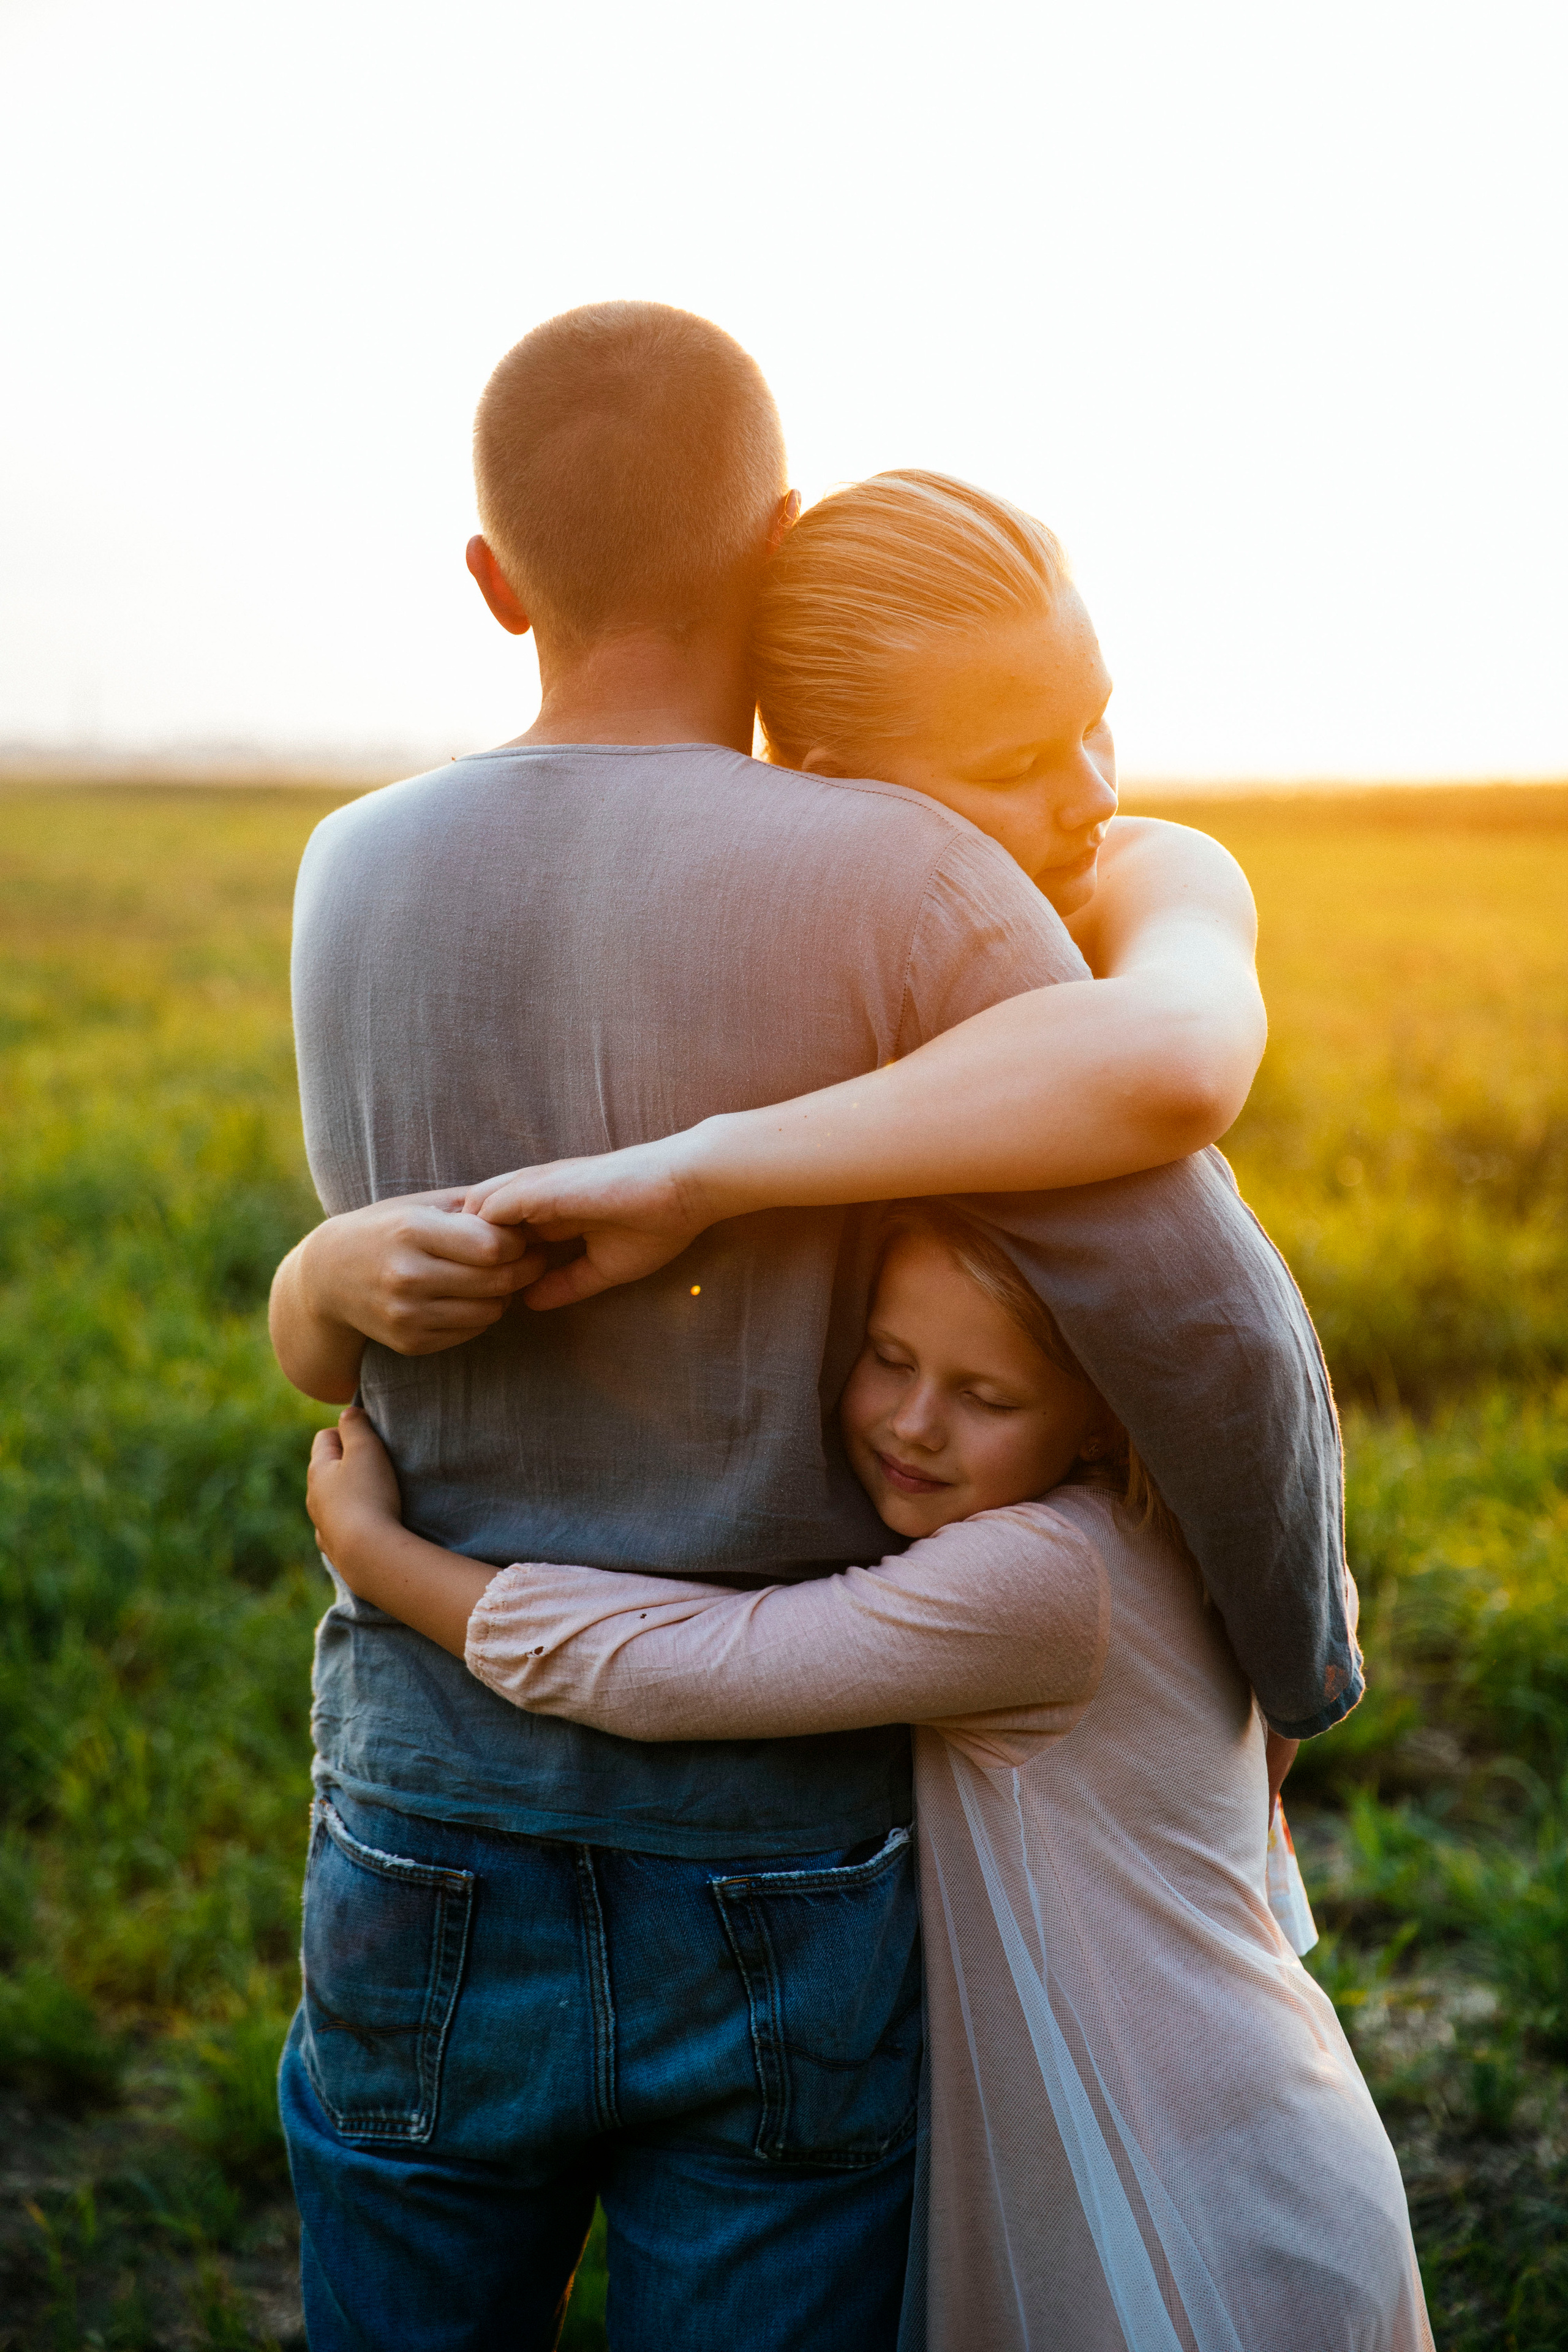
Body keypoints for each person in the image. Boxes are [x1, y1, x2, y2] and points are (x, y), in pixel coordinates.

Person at [270, 301, 1352, 2351]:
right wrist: (1298, 1665)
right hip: (774, 1845)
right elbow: (1190, 1302)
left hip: (423, 1798)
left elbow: (366, 1300)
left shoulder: (347, 870)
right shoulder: (912, 880)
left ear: (495, 581)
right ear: (772, 540)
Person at [302, 1203, 1431, 2352]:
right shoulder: (1184, 1537)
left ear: (1099, 1422)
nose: (915, 1423)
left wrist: (374, 1554)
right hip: (1224, 2127)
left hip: (1203, 2200)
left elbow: (669, 1668)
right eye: (887, 1359)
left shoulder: (1040, 1578)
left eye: (987, 1398)